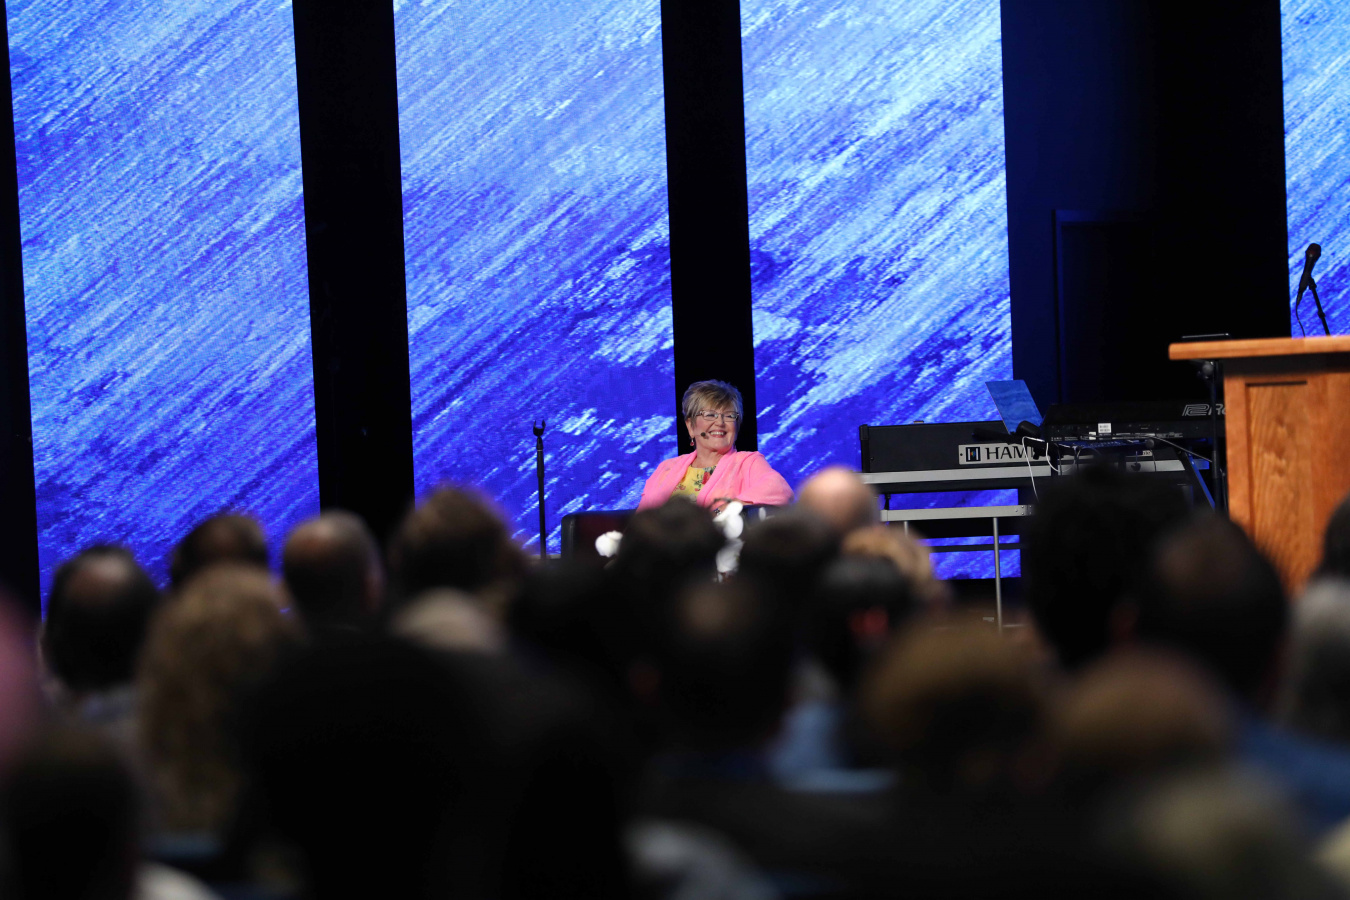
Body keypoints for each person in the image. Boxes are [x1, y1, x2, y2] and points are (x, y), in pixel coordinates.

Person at [638, 381, 792, 512]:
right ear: (690, 426)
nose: (720, 422)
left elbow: (780, 490)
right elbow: (641, 522)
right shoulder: (666, 468)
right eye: (710, 415)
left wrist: (726, 510)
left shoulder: (747, 463)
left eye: (729, 415)